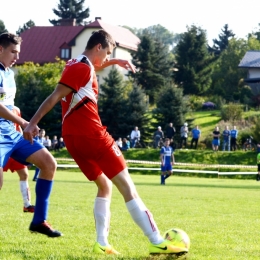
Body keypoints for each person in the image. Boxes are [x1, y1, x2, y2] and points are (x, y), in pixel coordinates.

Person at [23, 30, 187, 255]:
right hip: (93, 135)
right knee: (128, 187)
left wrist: (114, 61)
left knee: (104, 185)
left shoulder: (76, 62)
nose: (106, 58)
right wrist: (31, 124)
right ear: (98, 47)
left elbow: (92, 66)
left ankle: (101, 242)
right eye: (107, 52)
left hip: (73, 139)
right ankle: (156, 240)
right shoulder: (81, 69)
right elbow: (54, 96)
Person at [0, 32, 61, 237]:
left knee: (48, 163)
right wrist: (25, 123)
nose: (17, 56)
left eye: (18, 52)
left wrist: (22, 126)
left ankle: (39, 221)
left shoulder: (9, 73)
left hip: (12, 133)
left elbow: (8, 105)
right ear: (0, 49)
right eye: (13, 52)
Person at [3, 106, 35, 212]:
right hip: (2, 145)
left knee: (24, 174)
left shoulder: (16, 109)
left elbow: (18, 127)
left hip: (14, 145)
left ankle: (27, 205)